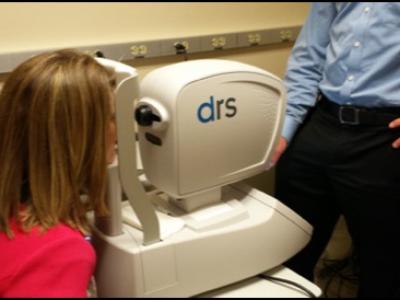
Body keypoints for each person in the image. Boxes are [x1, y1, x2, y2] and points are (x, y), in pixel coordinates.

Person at [271, 3, 400, 298]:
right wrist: (285, 129)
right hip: (321, 123)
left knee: (383, 265)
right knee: (287, 250)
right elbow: (309, 56)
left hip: (384, 136)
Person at [0, 50, 117, 297]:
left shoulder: (13, 215)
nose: (116, 129)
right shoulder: (59, 253)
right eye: (110, 117)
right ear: (78, 138)